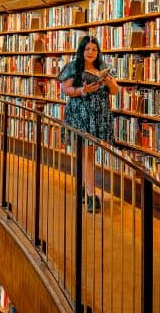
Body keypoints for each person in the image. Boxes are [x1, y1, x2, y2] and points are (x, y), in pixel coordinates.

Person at [58, 35, 119, 213]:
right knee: (88, 155)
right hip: (80, 115)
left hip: (99, 116)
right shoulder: (73, 67)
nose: (91, 52)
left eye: (94, 49)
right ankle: (92, 196)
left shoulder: (105, 68)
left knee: (88, 155)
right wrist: (83, 90)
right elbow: (65, 89)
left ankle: (85, 187)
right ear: (82, 50)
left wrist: (110, 83)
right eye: (87, 49)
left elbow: (115, 91)